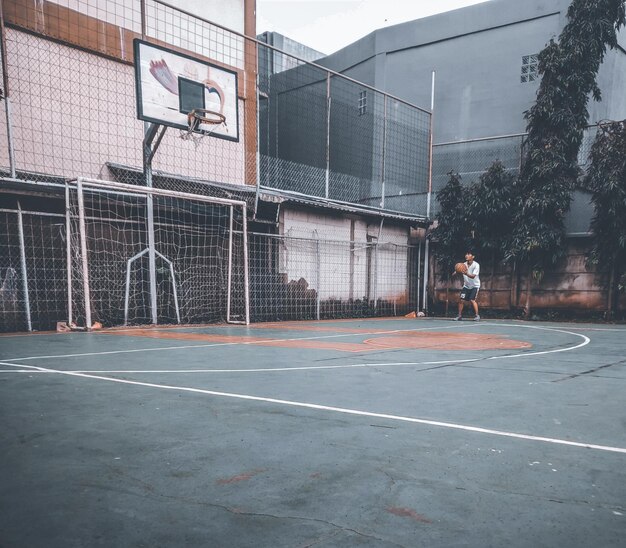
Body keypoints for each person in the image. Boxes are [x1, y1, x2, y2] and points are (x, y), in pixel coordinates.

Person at [452, 251, 480, 321]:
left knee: (472, 300)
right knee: (461, 300)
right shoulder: (463, 265)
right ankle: (459, 316)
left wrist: (466, 273)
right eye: (466, 254)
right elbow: (457, 271)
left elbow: (473, 276)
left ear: (473, 256)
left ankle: (477, 315)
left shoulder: (476, 265)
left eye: (469, 254)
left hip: (475, 286)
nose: (466, 255)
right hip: (466, 286)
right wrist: (455, 273)